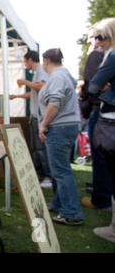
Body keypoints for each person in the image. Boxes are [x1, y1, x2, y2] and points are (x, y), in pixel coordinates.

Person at [38, 48, 84, 226]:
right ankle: (59, 203)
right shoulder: (64, 75)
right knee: (59, 168)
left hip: (59, 127)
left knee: (61, 170)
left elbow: (54, 103)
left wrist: (44, 124)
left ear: (46, 61)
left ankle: (72, 213)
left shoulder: (57, 77)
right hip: (65, 126)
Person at [79, 25, 112, 212]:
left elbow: (92, 85)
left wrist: (91, 86)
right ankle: (102, 193)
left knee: (101, 156)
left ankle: (101, 198)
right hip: (102, 110)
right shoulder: (105, 54)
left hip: (101, 111)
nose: (94, 41)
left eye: (96, 36)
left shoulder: (102, 55)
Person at [88, 17, 115, 243]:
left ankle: (114, 230)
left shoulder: (113, 55)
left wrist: (105, 87)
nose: (97, 42)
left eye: (100, 37)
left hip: (111, 122)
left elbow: (94, 86)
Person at [9, 50, 52, 188]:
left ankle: (48, 176)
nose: (24, 64)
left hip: (40, 116)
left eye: (25, 61)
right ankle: (39, 175)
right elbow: (33, 92)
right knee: (35, 148)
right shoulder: (36, 73)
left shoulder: (41, 70)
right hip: (34, 115)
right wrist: (17, 96)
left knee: (40, 148)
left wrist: (25, 82)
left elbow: (40, 86)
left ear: (30, 60)